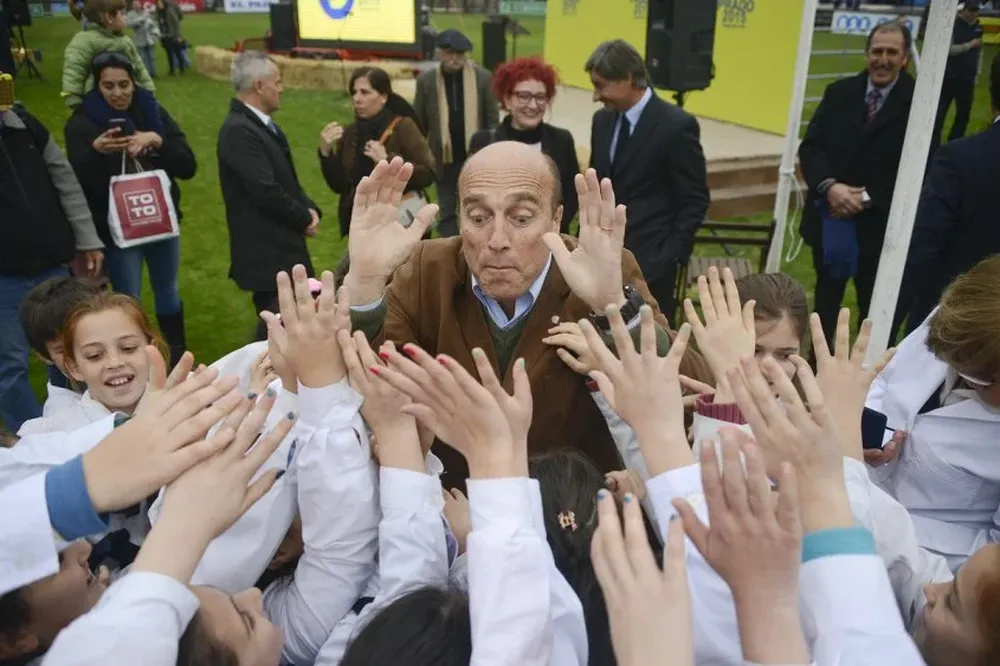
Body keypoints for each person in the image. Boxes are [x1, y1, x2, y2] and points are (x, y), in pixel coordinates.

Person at [343, 144, 710, 490]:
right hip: (452, 516)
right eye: (478, 217)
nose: (497, 239)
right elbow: (366, 382)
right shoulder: (428, 269)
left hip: (574, 522)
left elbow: (693, 394)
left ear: (556, 219)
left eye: (521, 218)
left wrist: (613, 308)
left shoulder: (599, 269)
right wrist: (365, 285)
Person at [867, 255, 1000, 572]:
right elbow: (885, 377)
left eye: (982, 380)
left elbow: (990, 560)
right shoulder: (961, 321)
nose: (967, 380)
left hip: (921, 572)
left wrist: (887, 529)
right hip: (857, 496)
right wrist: (865, 428)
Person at [64, 52, 195, 368]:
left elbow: (188, 165)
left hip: (160, 222)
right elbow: (78, 185)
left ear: (134, 83)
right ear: (96, 86)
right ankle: (131, 359)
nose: (118, 93)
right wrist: (96, 153)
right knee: (127, 298)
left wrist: (157, 140)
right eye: (108, 86)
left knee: (168, 289)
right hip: (119, 230)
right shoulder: (81, 124)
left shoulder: (152, 111)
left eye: (124, 84)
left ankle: (177, 356)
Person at [798, 21, 914, 349]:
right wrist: (830, 187)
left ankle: (869, 379)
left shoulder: (919, 102)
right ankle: (815, 367)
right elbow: (811, 147)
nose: (883, 59)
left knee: (874, 313)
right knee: (826, 307)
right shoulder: (839, 93)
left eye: (892, 52)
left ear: (904, 58)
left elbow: (922, 163)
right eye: (877, 51)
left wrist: (866, 197)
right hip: (831, 220)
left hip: (879, 230)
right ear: (867, 54)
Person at [585, 39, 710, 320]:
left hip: (652, 269)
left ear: (628, 79)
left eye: (600, 85)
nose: (595, 96)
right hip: (603, 261)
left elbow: (694, 199)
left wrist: (669, 256)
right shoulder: (601, 121)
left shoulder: (676, 126)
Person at [0, 100, 103, 434]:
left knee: (71, 348)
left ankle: (81, 423)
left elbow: (65, 181)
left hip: (51, 265)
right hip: (4, 276)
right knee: (10, 363)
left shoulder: (25, 125)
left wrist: (87, 237)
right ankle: (30, 436)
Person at [895, 51, 1000, 340]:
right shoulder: (960, 159)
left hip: (955, 331)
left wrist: (888, 326)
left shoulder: (960, 159)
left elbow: (924, 247)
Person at [218, 50, 322, 317]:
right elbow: (265, 190)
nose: (282, 89)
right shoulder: (239, 131)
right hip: (268, 255)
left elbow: (286, 179)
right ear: (259, 86)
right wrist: (303, 219)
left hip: (281, 249)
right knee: (281, 324)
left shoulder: (260, 126)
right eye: (277, 82)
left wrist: (310, 209)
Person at [319, 66, 435, 238]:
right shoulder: (351, 133)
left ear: (383, 97)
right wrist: (326, 153)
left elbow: (428, 173)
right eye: (354, 92)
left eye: (365, 92)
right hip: (362, 224)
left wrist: (389, 161)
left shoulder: (403, 127)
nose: (357, 99)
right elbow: (340, 185)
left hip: (399, 224)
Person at [469, 56, 580, 233]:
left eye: (540, 97)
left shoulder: (562, 140)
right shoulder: (483, 142)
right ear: (507, 100)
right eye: (524, 96)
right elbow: (474, 199)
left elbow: (571, 196)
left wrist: (547, 229)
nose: (533, 105)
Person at [413, 28, 498, 238]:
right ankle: (451, 252)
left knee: (480, 208)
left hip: (477, 158)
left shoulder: (483, 78)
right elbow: (418, 123)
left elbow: (493, 121)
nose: (455, 58)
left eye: (460, 54)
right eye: (450, 53)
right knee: (448, 211)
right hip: (444, 159)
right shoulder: (427, 81)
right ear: (439, 53)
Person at [19, 277, 107, 417]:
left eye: (89, 338)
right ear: (43, 355)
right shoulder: (61, 419)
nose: (80, 354)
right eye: (63, 349)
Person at [61, 0, 156, 109]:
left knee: (154, 117)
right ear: (109, 18)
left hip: (128, 96)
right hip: (98, 100)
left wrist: (148, 89)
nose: (126, 17)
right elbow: (74, 69)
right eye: (122, 14)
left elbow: (139, 67)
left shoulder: (125, 40)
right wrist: (73, 97)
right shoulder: (85, 41)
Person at [933, 0, 984, 148]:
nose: (973, 14)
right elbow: (948, 50)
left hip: (967, 78)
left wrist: (977, 72)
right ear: (964, 10)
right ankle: (932, 145)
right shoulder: (953, 26)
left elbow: (979, 51)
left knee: (963, 115)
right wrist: (969, 45)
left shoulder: (978, 27)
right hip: (950, 77)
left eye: (975, 11)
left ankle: (954, 144)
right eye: (970, 10)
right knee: (939, 115)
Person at [125, 0, 160, 79]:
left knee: (152, 57)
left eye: (137, 4)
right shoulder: (130, 14)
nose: (136, 5)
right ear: (132, 6)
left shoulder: (145, 12)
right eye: (134, 4)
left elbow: (153, 22)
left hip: (150, 38)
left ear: (140, 5)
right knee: (143, 58)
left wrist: (154, 30)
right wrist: (139, 20)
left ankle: (154, 73)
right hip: (139, 39)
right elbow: (128, 24)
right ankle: (146, 74)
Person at [155, 0, 185, 76]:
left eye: (160, 3)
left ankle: (182, 69)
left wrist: (177, 34)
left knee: (177, 52)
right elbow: (157, 21)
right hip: (164, 35)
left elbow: (180, 16)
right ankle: (172, 70)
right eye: (157, 4)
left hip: (174, 35)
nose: (159, 5)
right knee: (169, 54)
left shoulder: (172, 6)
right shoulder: (158, 11)